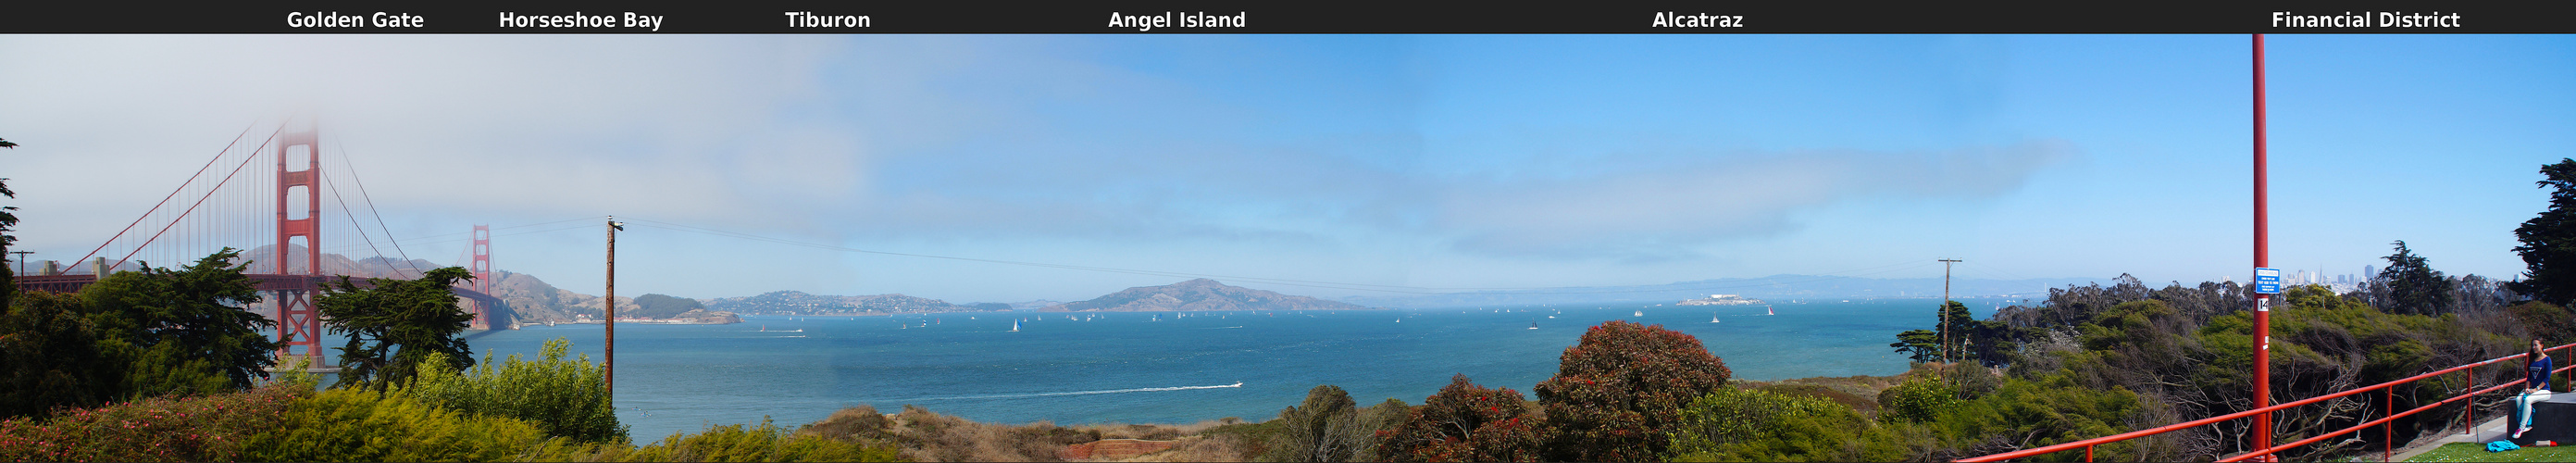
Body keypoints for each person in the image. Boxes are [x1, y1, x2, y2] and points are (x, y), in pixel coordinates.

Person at [2520, 340, 2556, 439]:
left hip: (2544, 391)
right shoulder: (2533, 360)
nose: (2534, 347)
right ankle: (2526, 422)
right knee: (2519, 399)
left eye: (2536, 345)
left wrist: (2536, 389)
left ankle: (2522, 427)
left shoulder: (2547, 359)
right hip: (2533, 390)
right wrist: (2527, 388)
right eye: (2532, 345)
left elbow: (2547, 378)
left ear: (2542, 345)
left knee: (2528, 400)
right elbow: (2529, 378)